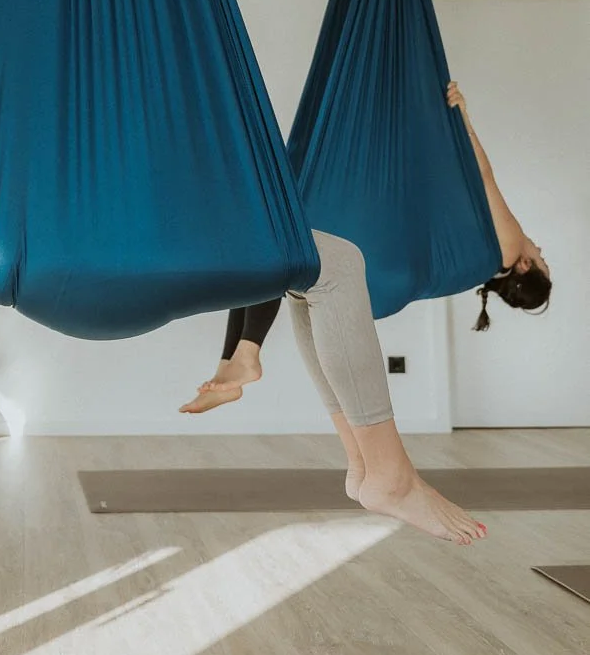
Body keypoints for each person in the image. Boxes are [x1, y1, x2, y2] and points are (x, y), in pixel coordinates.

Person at [179, 80, 552, 545]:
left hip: (389, 256)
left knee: (291, 251)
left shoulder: (510, 245)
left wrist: (464, 120)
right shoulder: (481, 258)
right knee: (284, 256)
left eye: (542, 256)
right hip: (397, 264)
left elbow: (485, 176)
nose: (538, 247)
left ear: (524, 266)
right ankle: (355, 458)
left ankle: (249, 363)